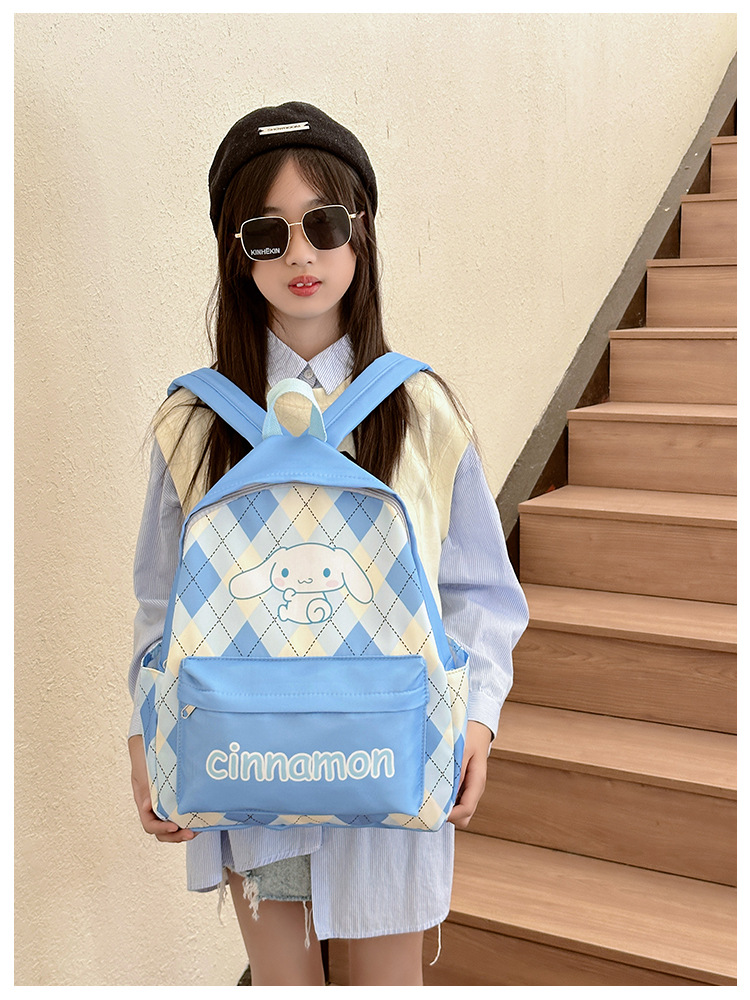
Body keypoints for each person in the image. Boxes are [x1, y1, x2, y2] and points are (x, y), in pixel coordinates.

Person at [127, 101, 529, 987]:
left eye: (324, 224)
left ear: (361, 230)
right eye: (268, 233)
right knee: (286, 982)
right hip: (249, 770)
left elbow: (479, 591)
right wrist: (142, 729)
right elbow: (160, 601)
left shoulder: (421, 410)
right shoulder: (193, 422)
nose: (301, 255)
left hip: (389, 756)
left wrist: (476, 717)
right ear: (237, 252)